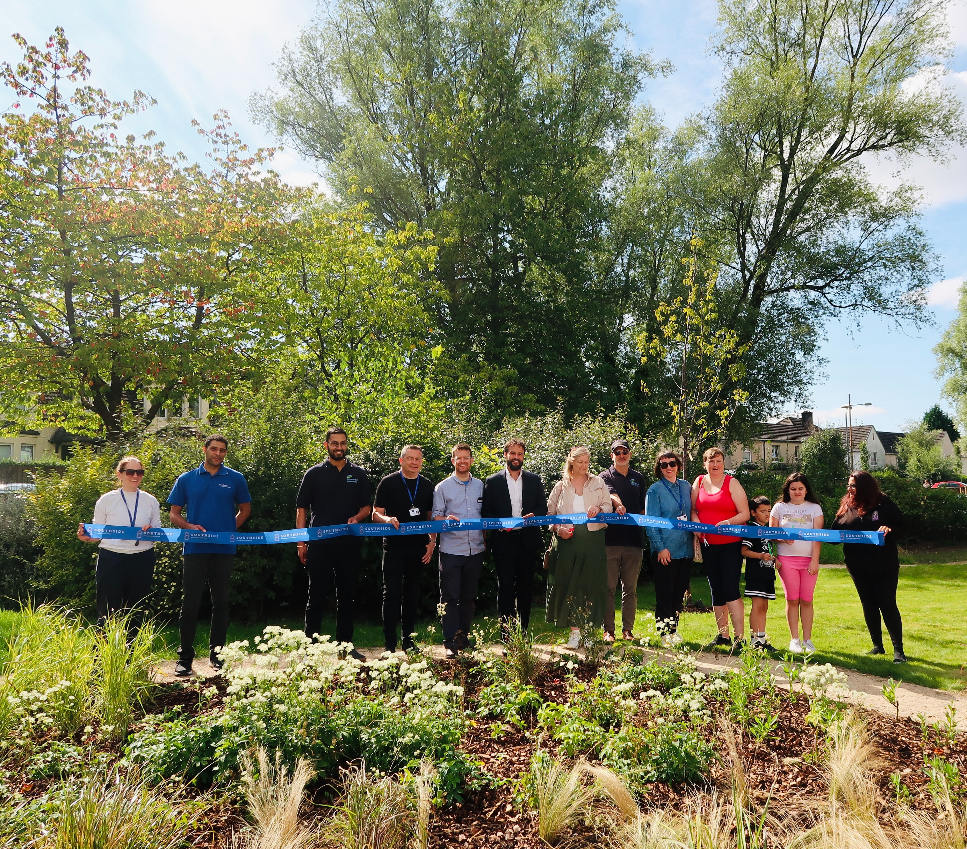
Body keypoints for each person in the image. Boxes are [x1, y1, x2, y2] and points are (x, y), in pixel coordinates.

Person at [168, 435, 252, 676]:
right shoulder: (186, 479)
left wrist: (228, 531)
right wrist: (189, 527)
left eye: (222, 450)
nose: (218, 453)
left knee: (221, 603)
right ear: (204, 449)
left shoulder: (235, 478)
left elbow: (245, 509)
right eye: (214, 449)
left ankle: (218, 655)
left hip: (224, 550)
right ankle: (185, 658)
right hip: (194, 548)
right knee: (191, 603)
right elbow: (174, 514)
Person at [295, 427, 371, 659]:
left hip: (349, 544)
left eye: (343, 443)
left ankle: (345, 646)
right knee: (315, 595)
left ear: (347, 445)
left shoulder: (358, 473)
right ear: (326, 445)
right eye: (334, 443)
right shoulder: (314, 474)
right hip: (319, 544)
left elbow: (367, 507)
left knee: (347, 596)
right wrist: (301, 543)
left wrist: (357, 518)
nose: (339, 447)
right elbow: (301, 510)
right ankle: (311, 648)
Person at [77, 455, 162, 641]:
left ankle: (131, 662)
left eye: (139, 472)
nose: (135, 476)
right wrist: (86, 537)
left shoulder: (150, 500)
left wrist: (152, 531)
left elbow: (158, 531)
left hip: (142, 559)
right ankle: (101, 665)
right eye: (130, 472)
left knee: (135, 613)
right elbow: (97, 533)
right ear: (119, 474)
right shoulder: (106, 500)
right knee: (107, 613)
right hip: (112, 559)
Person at [830, 471, 906, 663]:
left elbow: (903, 526)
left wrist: (889, 529)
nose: (850, 489)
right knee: (869, 604)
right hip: (857, 566)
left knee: (887, 604)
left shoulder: (883, 502)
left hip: (884, 565)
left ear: (865, 486)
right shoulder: (847, 505)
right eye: (848, 485)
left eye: (853, 486)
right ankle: (877, 646)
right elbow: (834, 534)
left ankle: (899, 651)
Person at [546, 446, 613, 649]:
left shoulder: (598, 482)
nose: (584, 466)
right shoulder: (560, 486)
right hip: (567, 543)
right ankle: (575, 633)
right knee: (571, 586)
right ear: (572, 462)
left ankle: (590, 632)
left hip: (593, 541)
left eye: (587, 462)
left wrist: (599, 509)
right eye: (580, 462)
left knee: (591, 585)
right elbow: (550, 515)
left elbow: (609, 506)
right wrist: (559, 531)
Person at [482, 439, 548, 640]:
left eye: (519, 454)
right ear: (505, 455)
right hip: (504, 542)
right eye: (512, 453)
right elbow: (486, 512)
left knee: (525, 589)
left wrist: (533, 515)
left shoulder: (534, 480)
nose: (516, 457)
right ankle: (507, 637)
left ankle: (524, 633)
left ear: (523, 456)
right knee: (505, 591)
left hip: (527, 541)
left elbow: (542, 508)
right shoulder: (493, 482)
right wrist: (500, 523)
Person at [372, 444, 436, 653]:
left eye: (418, 459)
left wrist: (432, 542)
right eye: (410, 458)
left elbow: (430, 518)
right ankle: (389, 646)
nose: (414, 462)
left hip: (418, 549)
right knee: (391, 595)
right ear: (401, 460)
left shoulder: (427, 485)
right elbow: (375, 514)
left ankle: (408, 643)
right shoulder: (388, 483)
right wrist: (386, 519)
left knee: (412, 595)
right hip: (393, 548)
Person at [691, 447, 750, 649]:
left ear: (724, 463)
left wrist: (729, 522)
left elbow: (745, 514)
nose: (715, 465)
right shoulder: (698, 482)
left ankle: (740, 639)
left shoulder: (731, 483)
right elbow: (693, 510)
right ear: (704, 464)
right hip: (708, 545)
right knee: (716, 589)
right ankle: (723, 636)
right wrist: (696, 525)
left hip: (731, 545)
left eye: (719, 461)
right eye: (711, 461)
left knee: (730, 588)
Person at [431, 442, 485, 658]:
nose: (462, 461)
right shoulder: (442, 487)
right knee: (450, 597)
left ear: (471, 460)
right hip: (452, 549)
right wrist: (446, 519)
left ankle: (463, 637)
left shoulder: (481, 485)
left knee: (468, 597)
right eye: (458, 458)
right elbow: (435, 516)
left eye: (466, 458)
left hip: (476, 549)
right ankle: (449, 641)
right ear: (453, 461)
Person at [770, 473, 824, 654]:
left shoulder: (815, 508)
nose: (797, 492)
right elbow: (772, 534)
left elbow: (818, 538)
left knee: (806, 600)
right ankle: (794, 639)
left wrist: (815, 560)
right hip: (787, 560)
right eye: (793, 489)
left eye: (800, 488)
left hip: (809, 561)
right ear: (788, 490)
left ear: (806, 489)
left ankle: (808, 640)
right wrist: (784, 540)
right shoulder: (779, 507)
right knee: (792, 599)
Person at [643, 450, 693, 645]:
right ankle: (664, 633)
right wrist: (660, 547)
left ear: (678, 465)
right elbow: (650, 522)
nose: (669, 468)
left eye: (672, 463)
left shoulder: (686, 486)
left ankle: (674, 630)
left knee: (678, 594)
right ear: (659, 468)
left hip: (685, 549)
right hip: (666, 550)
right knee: (665, 593)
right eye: (664, 465)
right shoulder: (654, 491)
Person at [599, 440, 644, 642]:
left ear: (630, 454)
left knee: (630, 590)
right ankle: (608, 631)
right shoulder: (604, 476)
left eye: (624, 451)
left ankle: (628, 631)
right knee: (608, 588)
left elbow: (644, 510)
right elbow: (611, 494)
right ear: (612, 456)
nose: (621, 455)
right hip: (610, 541)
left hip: (634, 542)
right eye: (617, 452)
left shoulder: (639, 478)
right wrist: (618, 504)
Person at [742, 495, 777, 651]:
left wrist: (774, 559)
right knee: (757, 605)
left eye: (768, 511)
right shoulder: (752, 530)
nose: (766, 514)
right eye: (762, 511)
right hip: (755, 574)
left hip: (768, 574)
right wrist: (760, 556)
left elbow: (767, 550)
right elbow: (744, 551)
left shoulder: (767, 530)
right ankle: (754, 639)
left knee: (764, 606)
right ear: (753, 512)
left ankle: (762, 639)